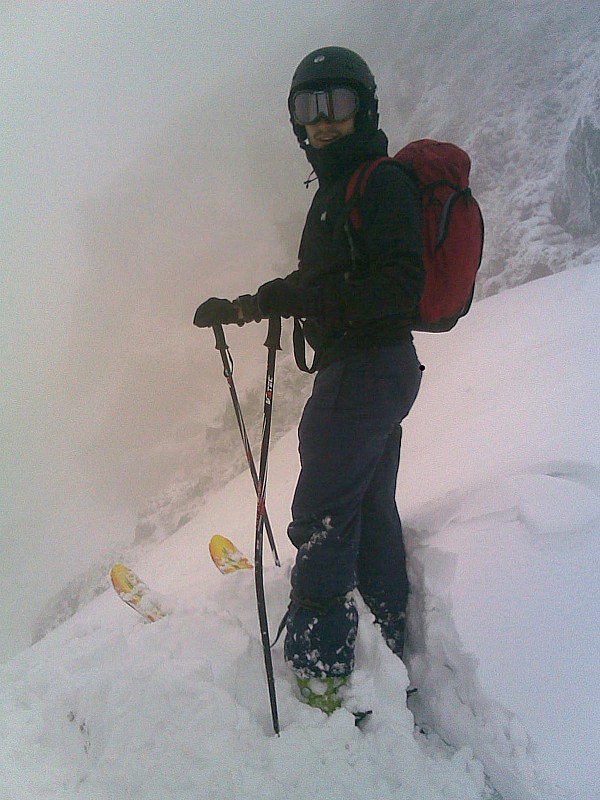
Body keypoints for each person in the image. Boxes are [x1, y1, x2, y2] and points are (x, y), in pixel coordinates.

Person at [194, 46, 424, 714]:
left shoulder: (378, 182)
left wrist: (326, 307)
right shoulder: (338, 188)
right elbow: (323, 282)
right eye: (307, 108)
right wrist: (249, 307)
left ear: (364, 108)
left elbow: (401, 283)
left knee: (320, 519)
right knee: (369, 510)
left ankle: (320, 677)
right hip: (375, 370)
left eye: (336, 105)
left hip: (361, 371)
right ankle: (384, 640)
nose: (321, 122)